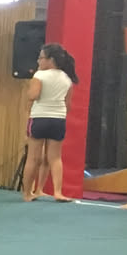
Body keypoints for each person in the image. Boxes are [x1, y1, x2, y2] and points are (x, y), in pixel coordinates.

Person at [20, 43, 79, 203]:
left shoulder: (40, 75)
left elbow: (33, 95)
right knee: (55, 158)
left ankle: (27, 193)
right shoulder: (66, 78)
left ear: (50, 60)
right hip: (58, 119)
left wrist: (30, 90)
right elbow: (68, 104)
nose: (38, 61)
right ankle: (57, 192)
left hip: (40, 118)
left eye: (41, 58)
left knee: (33, 158)